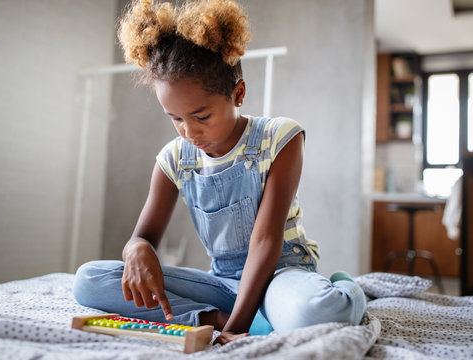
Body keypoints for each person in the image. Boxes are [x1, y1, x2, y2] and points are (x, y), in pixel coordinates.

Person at [73, 0, 366, 345]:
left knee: (320, 312)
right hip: (222, 285)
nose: (188, 132)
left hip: (279, 277)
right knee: (88, 280)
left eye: (201, 116)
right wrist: (135, 248)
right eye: (176, 119)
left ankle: (345, 285)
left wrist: (235, 330)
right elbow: (143, 237)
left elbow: (265, 240)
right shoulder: (173, 160)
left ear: (237, 93)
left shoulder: (280, 138)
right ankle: (211, 317)